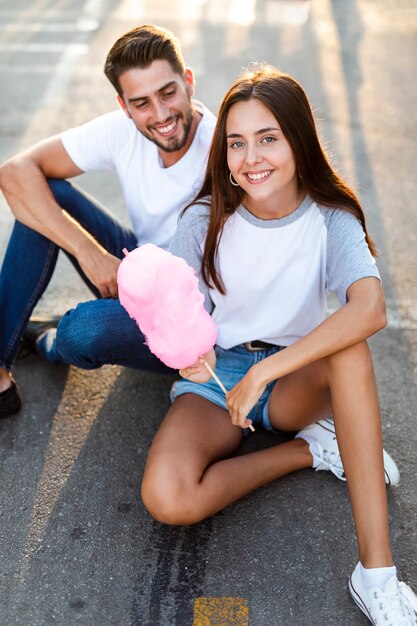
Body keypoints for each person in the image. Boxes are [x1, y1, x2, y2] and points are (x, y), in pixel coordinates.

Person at [140, 65, 417, 624]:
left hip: (296, 376)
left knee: (350, 347)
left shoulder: (331, 218)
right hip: (222, 374)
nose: (251, 158)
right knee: (168, 498)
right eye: (236, 143)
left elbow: (370, 310)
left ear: (298, 140)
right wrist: (185, 354)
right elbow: (173, 311)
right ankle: (310, 450)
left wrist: (265, 374)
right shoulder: (204, 217)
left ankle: (376, 574)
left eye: (268, 138)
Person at [0, 24, 216, 419]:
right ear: (124, 106)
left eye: (168, 92)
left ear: (188, 81)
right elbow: (15, 173)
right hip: (136, 267)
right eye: (142, 103)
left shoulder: (222, 149)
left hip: (188, 312)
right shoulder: (123, 131)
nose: (161, 114)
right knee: (47, 192)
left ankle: (47, 341)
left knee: (82, 330)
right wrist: (89, 253)